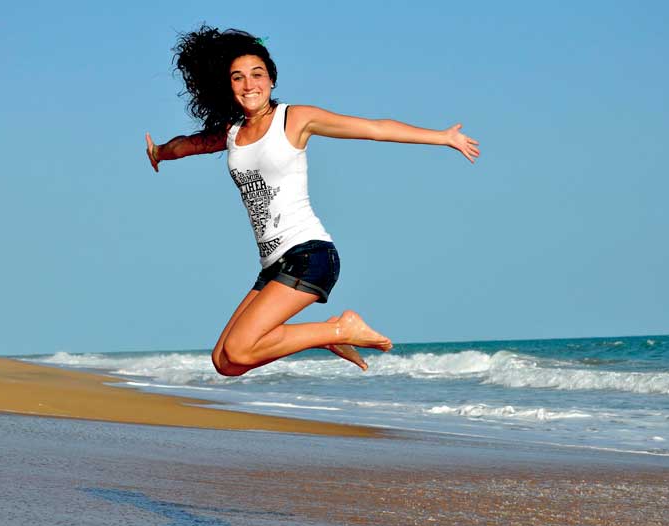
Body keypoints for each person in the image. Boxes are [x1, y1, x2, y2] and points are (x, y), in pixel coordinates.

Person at [145, 26, 480, 377]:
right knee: (225, 361)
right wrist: (159, 152)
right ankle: (325, 335)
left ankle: (339, 329)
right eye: (238, 78)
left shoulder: (294, 119)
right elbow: (187, 145)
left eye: (257, 75)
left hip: (309, 255)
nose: (249, 85)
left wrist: (442, 137)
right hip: (274, 264)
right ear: (228, 86)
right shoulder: (232, 134)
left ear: (271, 80)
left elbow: (373, 128)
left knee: (241, 348)